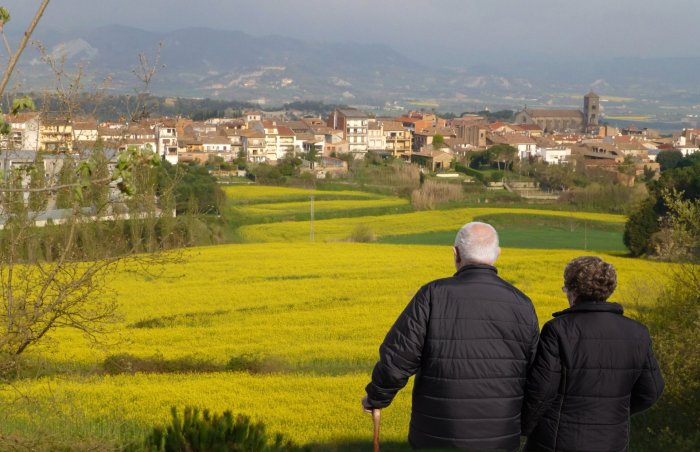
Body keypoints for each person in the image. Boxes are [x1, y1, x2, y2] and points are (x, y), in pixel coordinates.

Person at [362, 222, 539, 450]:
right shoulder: (522, 303)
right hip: (500, 439)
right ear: (497, 255)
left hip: (436, 438)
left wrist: (377, 397)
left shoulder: (432, 295)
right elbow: (536, 373)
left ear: (455, 253)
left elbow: (398, 358)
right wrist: (524, 426)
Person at [521, 256, 665, 452]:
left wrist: (525, 428)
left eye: (566, 289)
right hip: (611, 442)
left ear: (574, 290)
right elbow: (652, 390)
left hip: (558, 441)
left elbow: (542, 392)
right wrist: (613, 412)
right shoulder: (638, 332)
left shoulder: (558, 330)